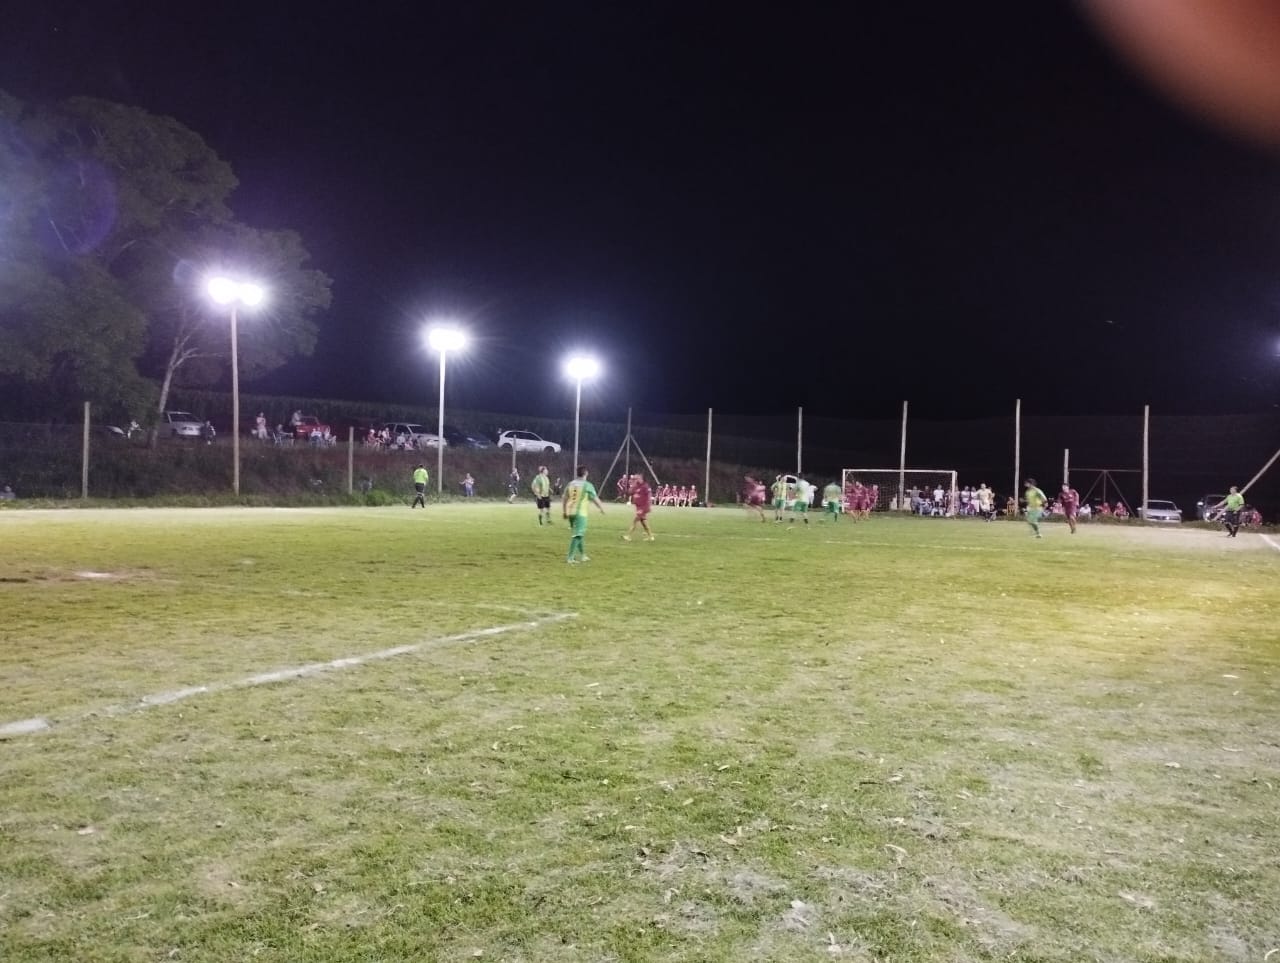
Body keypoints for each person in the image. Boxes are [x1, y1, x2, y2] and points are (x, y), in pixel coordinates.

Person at [563, 466, 605, 563]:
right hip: (580, 513)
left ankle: (583, 555)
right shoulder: (587, 485)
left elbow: (565, 498)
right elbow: (594, 498)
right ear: (586, 473)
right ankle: (570, 558)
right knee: (578, 535)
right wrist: (601, 508)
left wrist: (564, 511)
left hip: (570, 512)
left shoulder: (570, 484)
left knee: (579, 534)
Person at [623, 473, 654, 541]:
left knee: (635, 521)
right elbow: (629, 492)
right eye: (635, 479)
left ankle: (628, 536)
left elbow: (649, 495)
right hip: (638, 507)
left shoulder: (645, 486)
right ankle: (651, 537)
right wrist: (632, 484)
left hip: (643, 507)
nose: (636, 480)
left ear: (641, 479)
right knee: (644, 523)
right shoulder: (636, 486)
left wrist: (649, 505)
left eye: (637, 478)